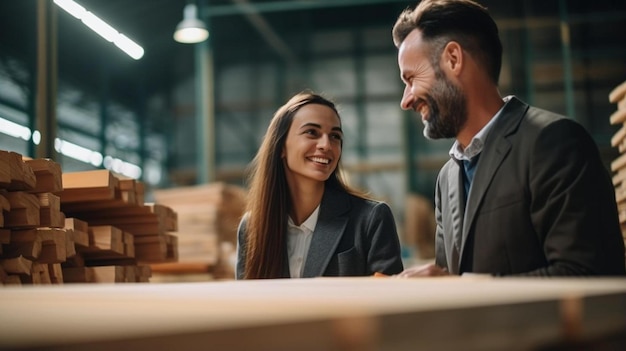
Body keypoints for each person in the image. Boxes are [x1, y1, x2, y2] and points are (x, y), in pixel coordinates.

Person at [392, 0, 626, 276]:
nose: (405, 100)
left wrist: (464, 289)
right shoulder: (447, 179)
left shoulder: (554, 143)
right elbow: (451, 280)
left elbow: (587, 275)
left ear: (453, 59)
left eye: (411, 79)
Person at [236, 91, 404, 279]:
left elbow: (387, 300)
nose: (326, 145)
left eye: (335, 136)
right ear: (281, 146)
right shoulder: (253, 227)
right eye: (312, 133)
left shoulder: (371, 219)